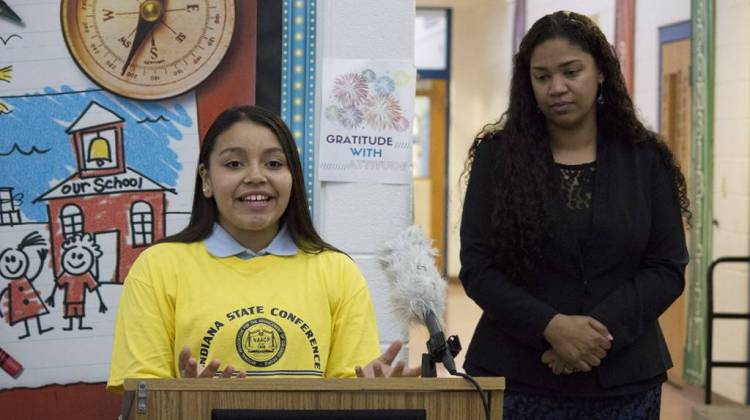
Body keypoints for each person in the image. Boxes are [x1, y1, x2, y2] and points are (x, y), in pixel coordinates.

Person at [459, 11, 690, 419]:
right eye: (542, 76)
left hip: (624, 380)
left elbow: (667, 267)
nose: (557, 88)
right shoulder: (497, 158)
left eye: (571, 71)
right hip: (516, 375)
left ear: (600, 72)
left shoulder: (645, 159)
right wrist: (551, 327)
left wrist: (593, 334)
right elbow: (478, 268)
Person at [107, 105, 416, 393]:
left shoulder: (337, 271)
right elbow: (141, 398)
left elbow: (344, 395)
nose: (256, 176)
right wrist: (185, 399)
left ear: (292, 177)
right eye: (234, 164)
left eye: (273, 163)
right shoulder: (157, 267)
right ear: (206, 180)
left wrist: (374, 394)